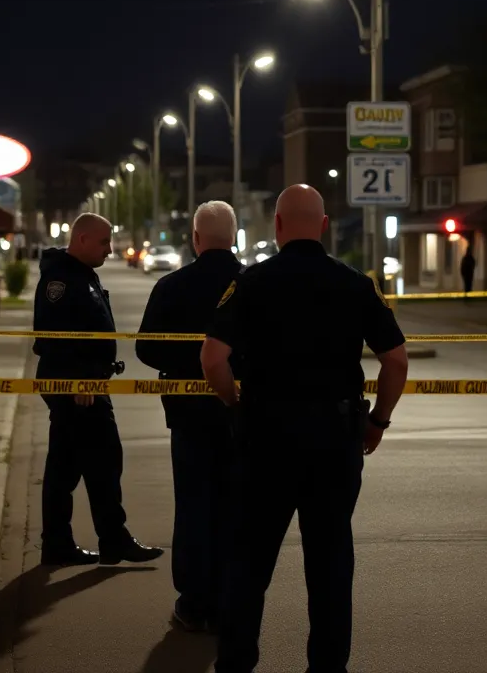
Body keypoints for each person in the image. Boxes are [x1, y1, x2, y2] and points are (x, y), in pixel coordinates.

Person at [200, 184, 410, 673]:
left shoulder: (251, 283)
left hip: (266, 438)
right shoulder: (355, 284)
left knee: (248, 563)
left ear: (276, 226)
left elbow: (212, 358)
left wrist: (235, 404)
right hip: (335, 441)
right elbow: (396, 360)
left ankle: (236, 663)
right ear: (323, 226)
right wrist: (378, 420)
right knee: (331, 562)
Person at [33, 212, 164, 567]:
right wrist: (80, 379)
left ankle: (62, 543)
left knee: (67, 466)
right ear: (82, 240)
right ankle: (112, 540)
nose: (110, 249)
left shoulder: (81, 274)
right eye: (104, 242)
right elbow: (52, 337)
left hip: (86, 383)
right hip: (77, 387)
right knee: (102, 461)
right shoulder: (60, 280)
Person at [136, 200, 242, 632]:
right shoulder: (252, 284)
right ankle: (235, 598)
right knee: (238, 506)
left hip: (188, 417)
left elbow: (146, 347)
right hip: (243, 415)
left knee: (195, 505)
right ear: (233, 237)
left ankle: (195, 601)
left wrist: (184, 365)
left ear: (196, 238)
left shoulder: (172, 286)